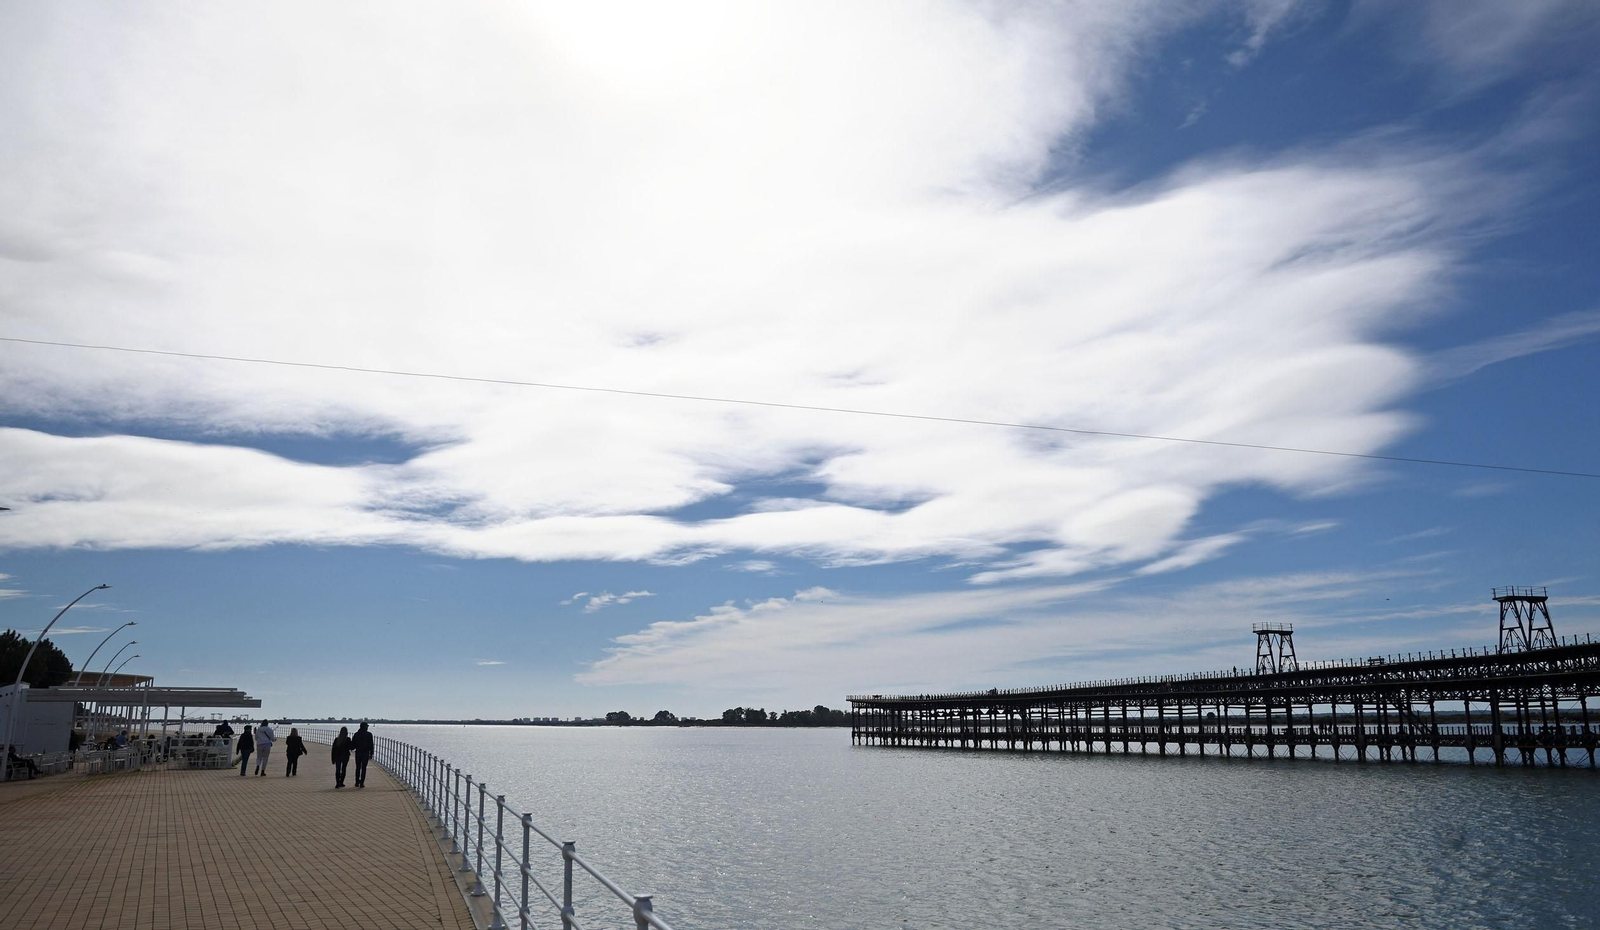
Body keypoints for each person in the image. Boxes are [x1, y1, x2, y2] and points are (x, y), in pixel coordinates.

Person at [351, 721, 374, 788]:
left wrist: (351, 748)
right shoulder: (369, 734)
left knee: (358, 767)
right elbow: (371, 745)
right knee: (364, 768)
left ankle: (357, 782)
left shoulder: (356, 734)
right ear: (365, 727)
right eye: (367, 726)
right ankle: (362, 782)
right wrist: (371, 753)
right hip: (365, 753)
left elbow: (353, 744)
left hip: (358, 752)